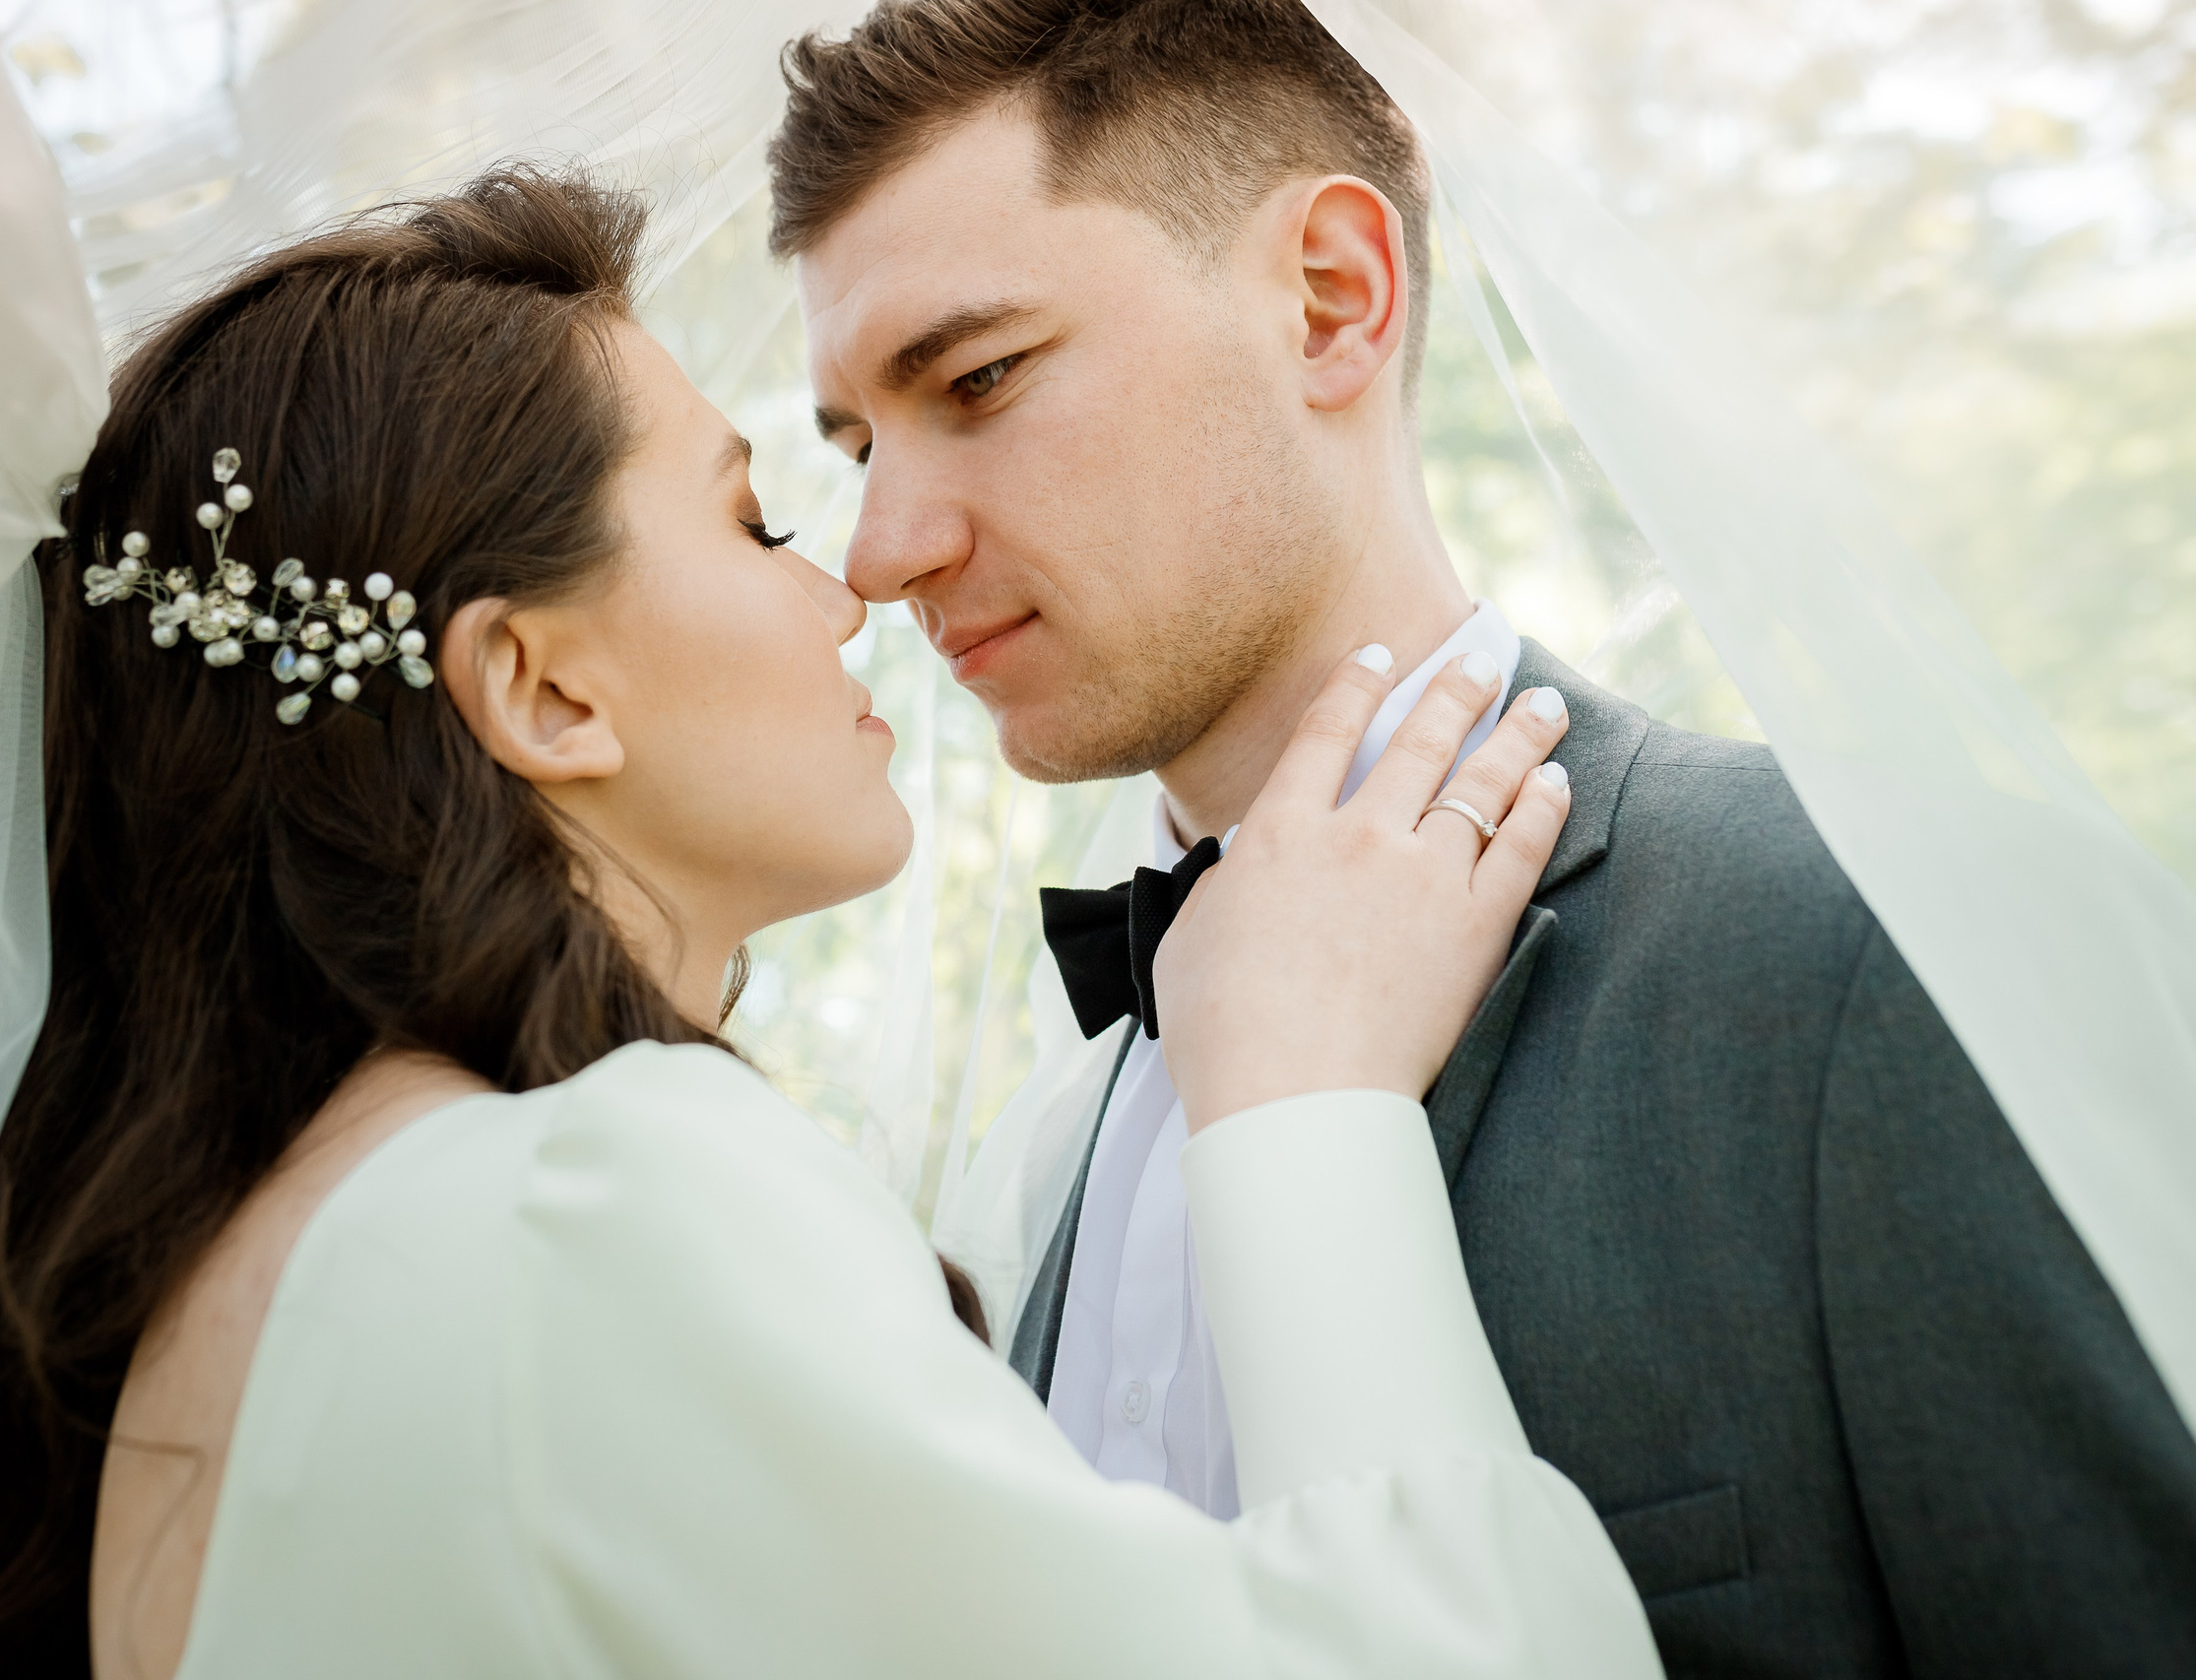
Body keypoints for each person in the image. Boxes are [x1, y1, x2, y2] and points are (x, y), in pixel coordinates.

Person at [0, 159, 1667, 1678]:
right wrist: (1310, 1106)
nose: (856, 584)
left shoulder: (240, 1295)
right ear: (542, 689)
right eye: (759, 520)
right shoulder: (584, 1204)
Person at [765, 2, 2196, 1676]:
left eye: (980, 378)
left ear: (1331, 299)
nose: (879, 550)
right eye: (857, 444)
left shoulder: (1884, 946)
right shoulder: (1044, 1154)